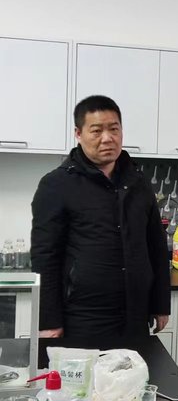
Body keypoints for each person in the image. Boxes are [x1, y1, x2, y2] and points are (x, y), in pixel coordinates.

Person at [31, 95, 170, 339]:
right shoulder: (56, 185)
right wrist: (49, 320)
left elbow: (156, 246)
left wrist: (160, 304)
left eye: (114, 129)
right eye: (96, 131)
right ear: (78, 133)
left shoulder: (138, 182)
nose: (107, 138)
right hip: (83, 317)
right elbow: (45, 257)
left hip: (135, 315)